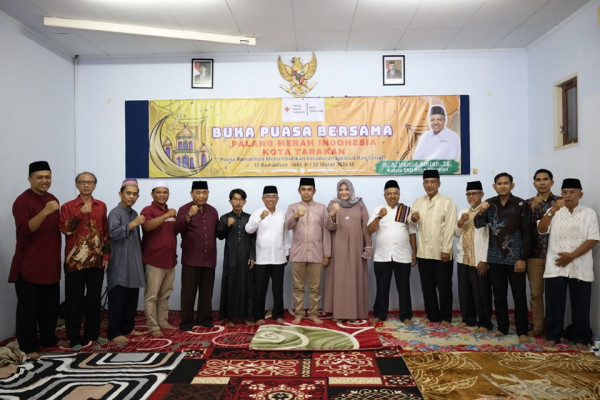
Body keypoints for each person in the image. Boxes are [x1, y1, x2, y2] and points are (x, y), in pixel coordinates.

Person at [9, 161, 65, 359]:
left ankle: (49, 339)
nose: (44, 181)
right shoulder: (22, 201)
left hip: (50, 264)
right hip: (29, 266)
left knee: (50, 308)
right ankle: (28, 346)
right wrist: (45, 211)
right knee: (28, 310)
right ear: (30, 179)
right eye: (39, 177)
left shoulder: (52, 199)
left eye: (48, 177)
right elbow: (26, 229)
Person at [537, 178, 599, 350]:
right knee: (554, 304)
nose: (568, 195)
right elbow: (541, 229)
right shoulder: (553, 211)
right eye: (565, 192)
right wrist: (552, 211)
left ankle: (581, 338)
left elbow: (593, 239)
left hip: (580, 266)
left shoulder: (589, 213)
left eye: (572, 192)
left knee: (581, 305)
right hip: (556, 266)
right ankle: (553, 336)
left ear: (580, 194)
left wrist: (572, 256)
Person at [474, 172, 532, 343]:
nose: (502, 186)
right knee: (499, 295)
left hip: (515, 258)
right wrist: (481, 210)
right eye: (499, 183)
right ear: (494, 186)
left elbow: (528, 234)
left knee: (519, 295)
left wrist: (522, 258)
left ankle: (522, 331)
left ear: (512, 185)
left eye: (506, 183)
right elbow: (478, 224)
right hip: (495, 257)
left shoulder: (521, 204)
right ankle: (502, 327)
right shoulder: (489, 204)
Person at [59, 171, 110, 350]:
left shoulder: (101, 206)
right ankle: (74, 337)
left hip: (96, 260)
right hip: (75, 262)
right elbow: (65, 229)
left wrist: (106, 256)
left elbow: (105, 232)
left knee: (94, 300)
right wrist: (80, 213)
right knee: (74, 301)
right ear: (77, 184)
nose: (86, 185)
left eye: (90, 182)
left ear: (95, 185)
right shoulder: (67, 206)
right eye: (82, 182)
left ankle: (92, 334)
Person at [410, 169, 457, 326]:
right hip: (423, 253)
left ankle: (445, 317)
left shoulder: (447, 202)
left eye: (433, 182)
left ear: (439, 184)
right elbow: (412, 222)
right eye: (426, 182)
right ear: (423, 184)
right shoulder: (418, 201)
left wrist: (446, 249)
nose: (429, 185)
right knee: (427, 287)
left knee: (444, 287)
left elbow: (450, 227)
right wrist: (413, 218)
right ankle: (432, 315)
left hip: (441, 253)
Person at [286, 177, 334, 324]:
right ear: (299, 191)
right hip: (298, 253)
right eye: (303, 189)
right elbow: (288, 225)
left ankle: (313, 314)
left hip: (316, 253)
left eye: (309, 190)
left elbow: (326, 231)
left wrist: (326, 254)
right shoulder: (292, 207)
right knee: (298, 287)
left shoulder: (321, 208)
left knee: (315, 287)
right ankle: (299, 313)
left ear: (314, 191)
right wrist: (296, 216)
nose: (306, 192)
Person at [368, 179, 416, 325]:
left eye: (395, 193)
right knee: (382, 288)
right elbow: (370, 230)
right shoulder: (378, 210)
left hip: (403, 255)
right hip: (382, 256)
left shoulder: (406, 210)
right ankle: (380, 314)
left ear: (399, 195)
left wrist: (414, 252)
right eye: (389, 193)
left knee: (404, 288)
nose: (392, 196)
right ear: (385, 195)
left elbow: (412, 233)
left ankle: (406, 316)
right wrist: (379, 217)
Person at [324, 179, 372, 321]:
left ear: (351, 190)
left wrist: (368, 246)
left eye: (346, 189)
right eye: (341, 190)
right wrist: (333, 213)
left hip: (356, 248)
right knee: (339, 279)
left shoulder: (360, 205)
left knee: (355, 279)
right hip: (338, 248)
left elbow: (366, 227)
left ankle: (355, 313)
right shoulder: (332, 204)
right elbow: (329, 227)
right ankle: (338, 312)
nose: (344, 192)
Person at [174, 180, 218, 330]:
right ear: (191, 194)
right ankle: (186, 321)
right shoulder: (184, 209)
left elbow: (216, 233)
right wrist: (189, 215)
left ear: (208, 193)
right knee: (188, 293)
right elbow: (178, 228)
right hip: (191, 259)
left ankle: (204, 319)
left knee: (206, 292)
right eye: (198, 193)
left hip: (209, 259)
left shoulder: (213, 211)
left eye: (204, 192)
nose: (201, 196)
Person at [107, 178, 146, 343]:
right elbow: (114, 233)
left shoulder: (134, 213)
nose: (131, 197)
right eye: (128, 193)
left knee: (131, 297)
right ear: (120, 194)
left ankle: (128, 327)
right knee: (118, 297)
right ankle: (114, 331)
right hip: (120, 261)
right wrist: (133, 224)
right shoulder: (115, 213)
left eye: (134, 194)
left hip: (134, 261)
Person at [245, 185, 290, 325]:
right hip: (261, 259)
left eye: (273, 196)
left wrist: (287, 251)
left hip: (279, 258)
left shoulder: (282, 213)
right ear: (263, 199)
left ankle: (278, 314)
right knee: (260, 289)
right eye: (268, 197)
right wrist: (259, 218)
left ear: (277, 198)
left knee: (278, 290)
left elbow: (285, 234)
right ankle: (259, 316)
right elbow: (248, 230)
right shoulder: (257, 212)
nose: (270, 199)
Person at [454, 181, 492, 333]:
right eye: (469, 194)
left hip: (479, 259)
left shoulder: (487, 211)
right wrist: (460, 222)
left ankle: (484, 322)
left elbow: (489, 237)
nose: (471, 196)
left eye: (474, 193)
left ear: (482, 194)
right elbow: (457, 234)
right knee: (465, 290)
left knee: (481, 292)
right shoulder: (463, 211)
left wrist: (484, 260)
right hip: (463, 257)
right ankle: (468, 319)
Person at [141, 180, 178, 337]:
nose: (162, 195)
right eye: (159, 192)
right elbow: (147, 226)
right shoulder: (148, 210)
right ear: (152, 194)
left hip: (170, 260)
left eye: (165, 192)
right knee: (152, 296)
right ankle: (153, 326)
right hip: (154, 261)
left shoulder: (171, 212)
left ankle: (163, 321)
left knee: (165, 294)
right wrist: (166, 216)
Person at [526, 169, 560, 337]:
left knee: (556, 294)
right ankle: (538, 326)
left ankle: (555, 327)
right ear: (534, 184)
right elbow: (523, 227)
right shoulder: (528, 203)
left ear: (552, 182)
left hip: (557, 255)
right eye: (538, 180)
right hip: (535, 255)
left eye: (545, 179)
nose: (542, 182)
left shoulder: (560, 202)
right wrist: (532, 208)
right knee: (536, 293)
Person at [217, 189, 256, 326]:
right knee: (230, 285)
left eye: (240, 199)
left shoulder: (250, 218)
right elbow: (220, 236)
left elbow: (253, 238)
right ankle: (229, 317)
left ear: (245, 202)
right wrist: (227, 226)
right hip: (231, 257)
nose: (238, 202)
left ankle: (246, 316)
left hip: (246, 257)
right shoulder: (224, 218)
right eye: (235, 199)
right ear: (230, 201)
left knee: (247, 286)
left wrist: (252, 256)